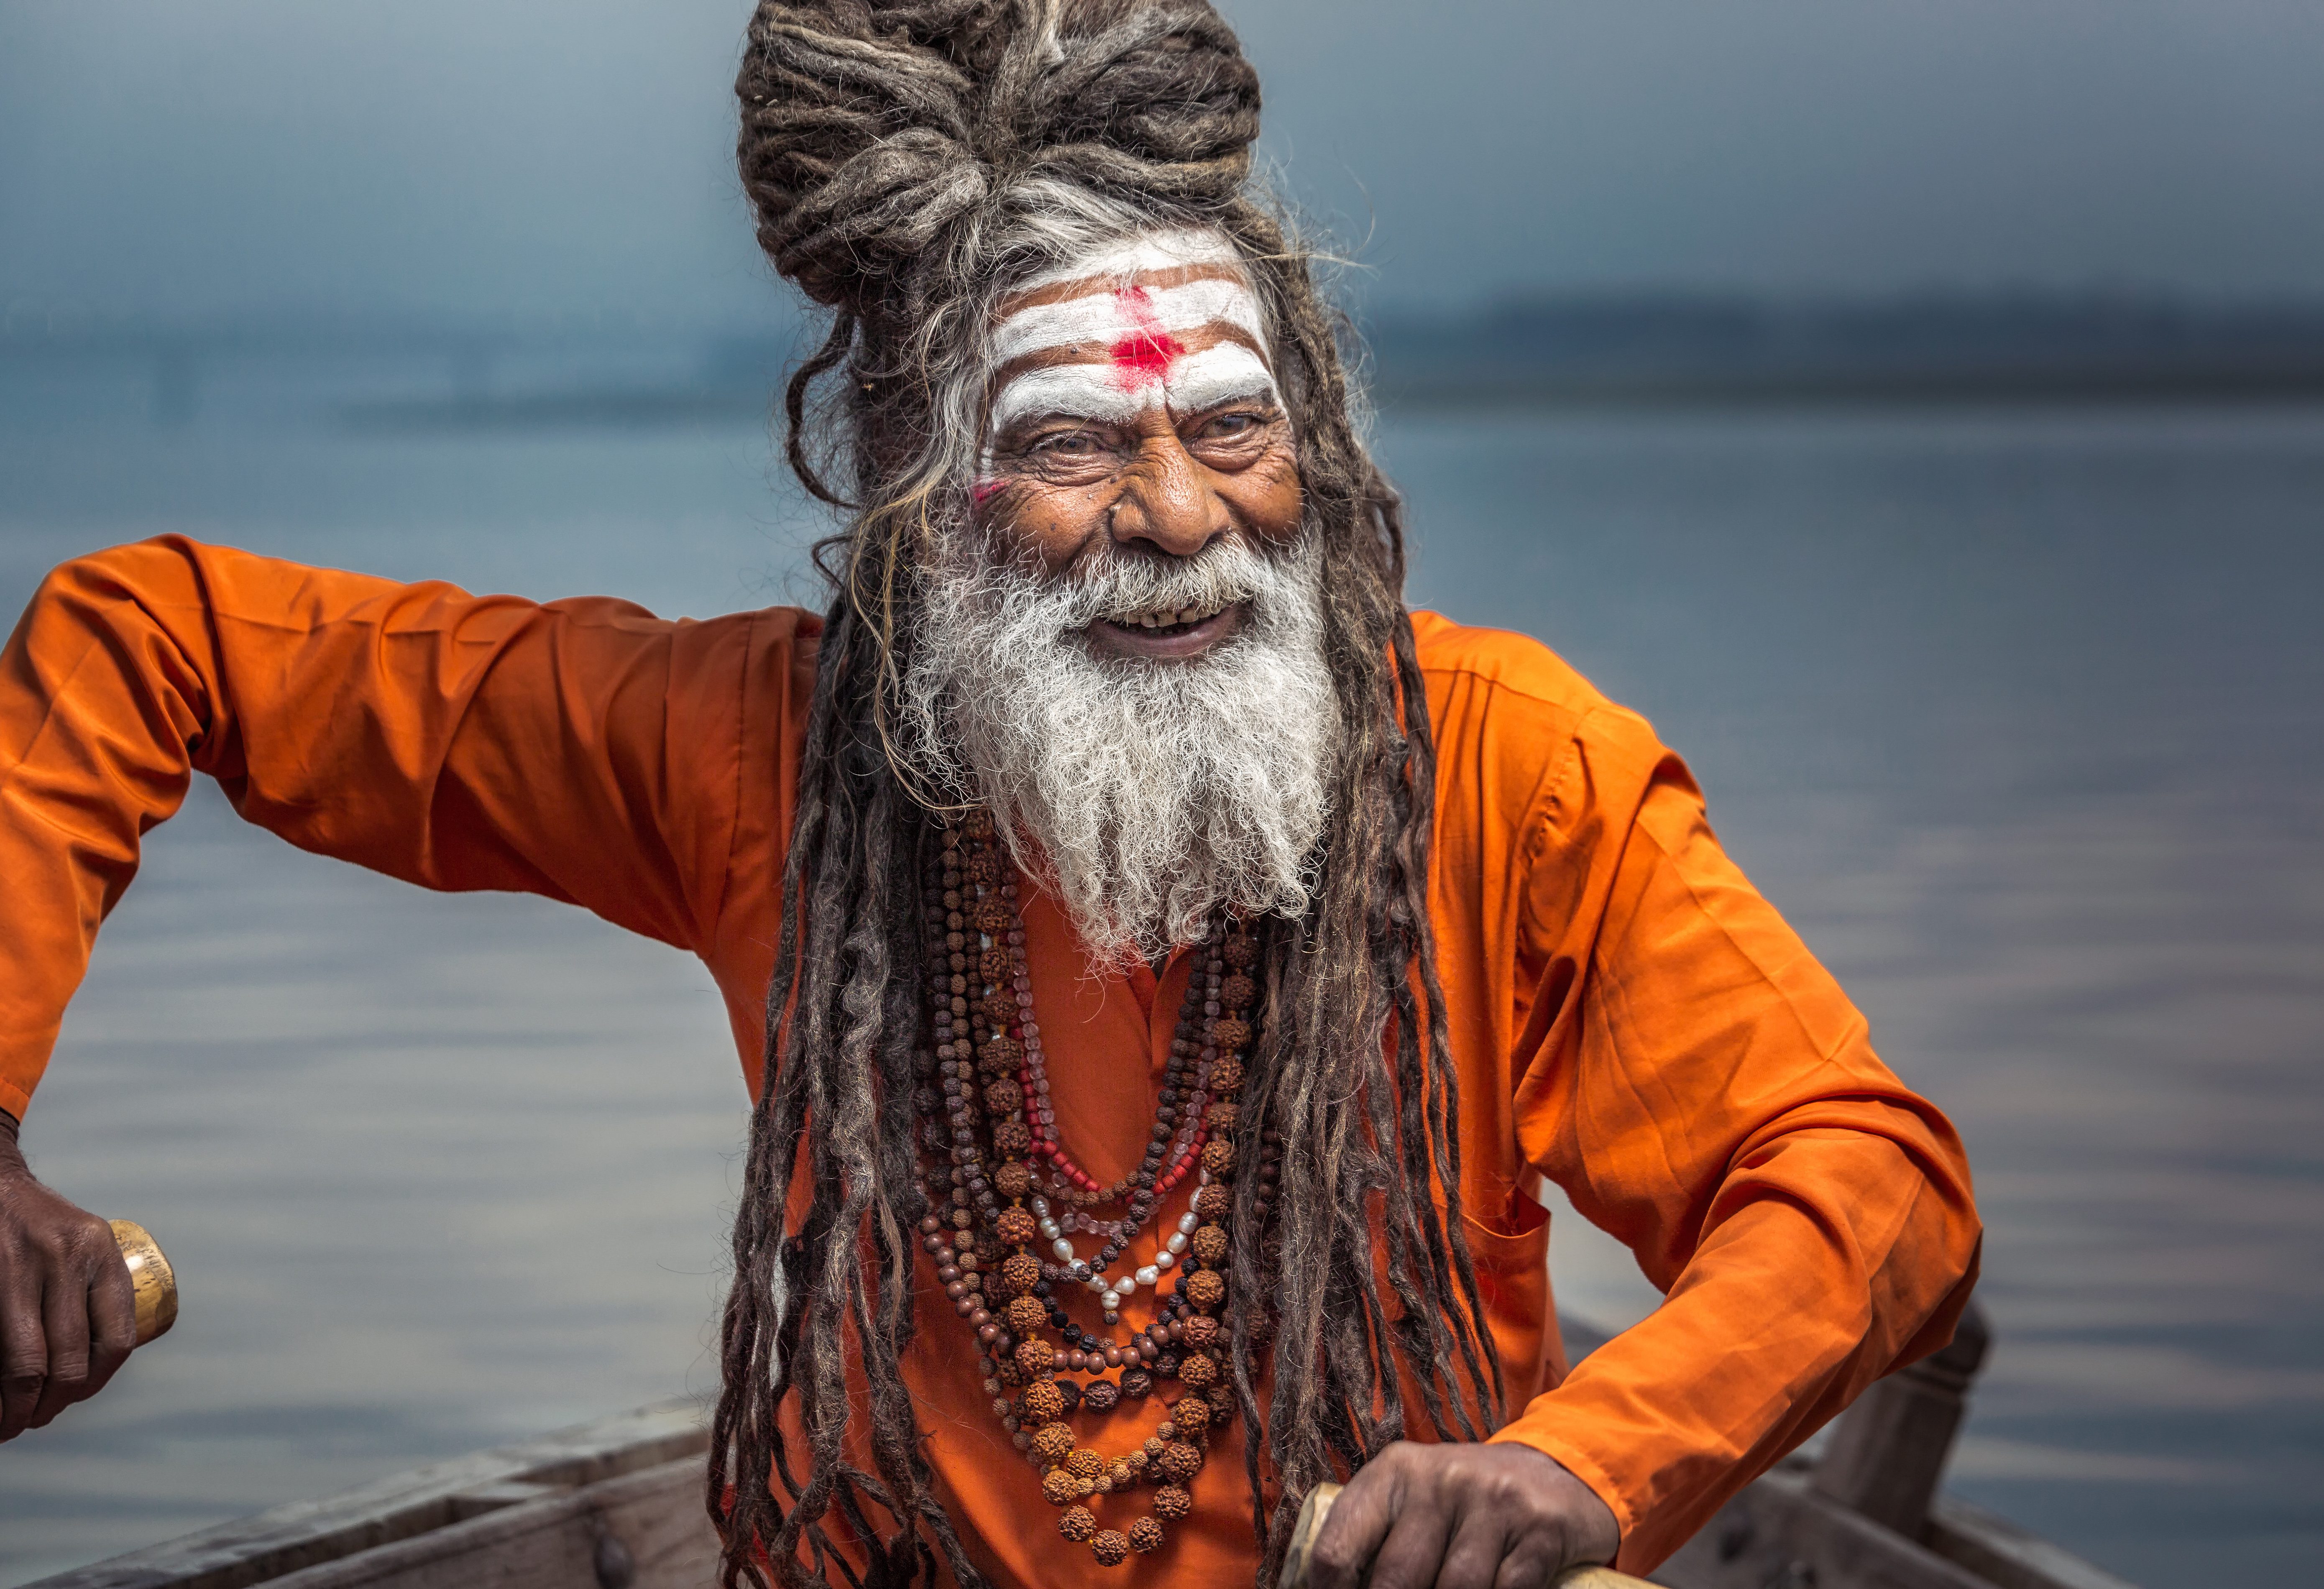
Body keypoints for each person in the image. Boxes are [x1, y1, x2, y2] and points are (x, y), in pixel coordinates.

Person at [0, 3, 1981, 1587]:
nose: (1182, 515)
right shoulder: (749, 749)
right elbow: (148, 633)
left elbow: (1868, 1180)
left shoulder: (1509, 770)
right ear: (911, 504)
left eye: (1230, 422)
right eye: (1067, 443)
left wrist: (1578, 1461)